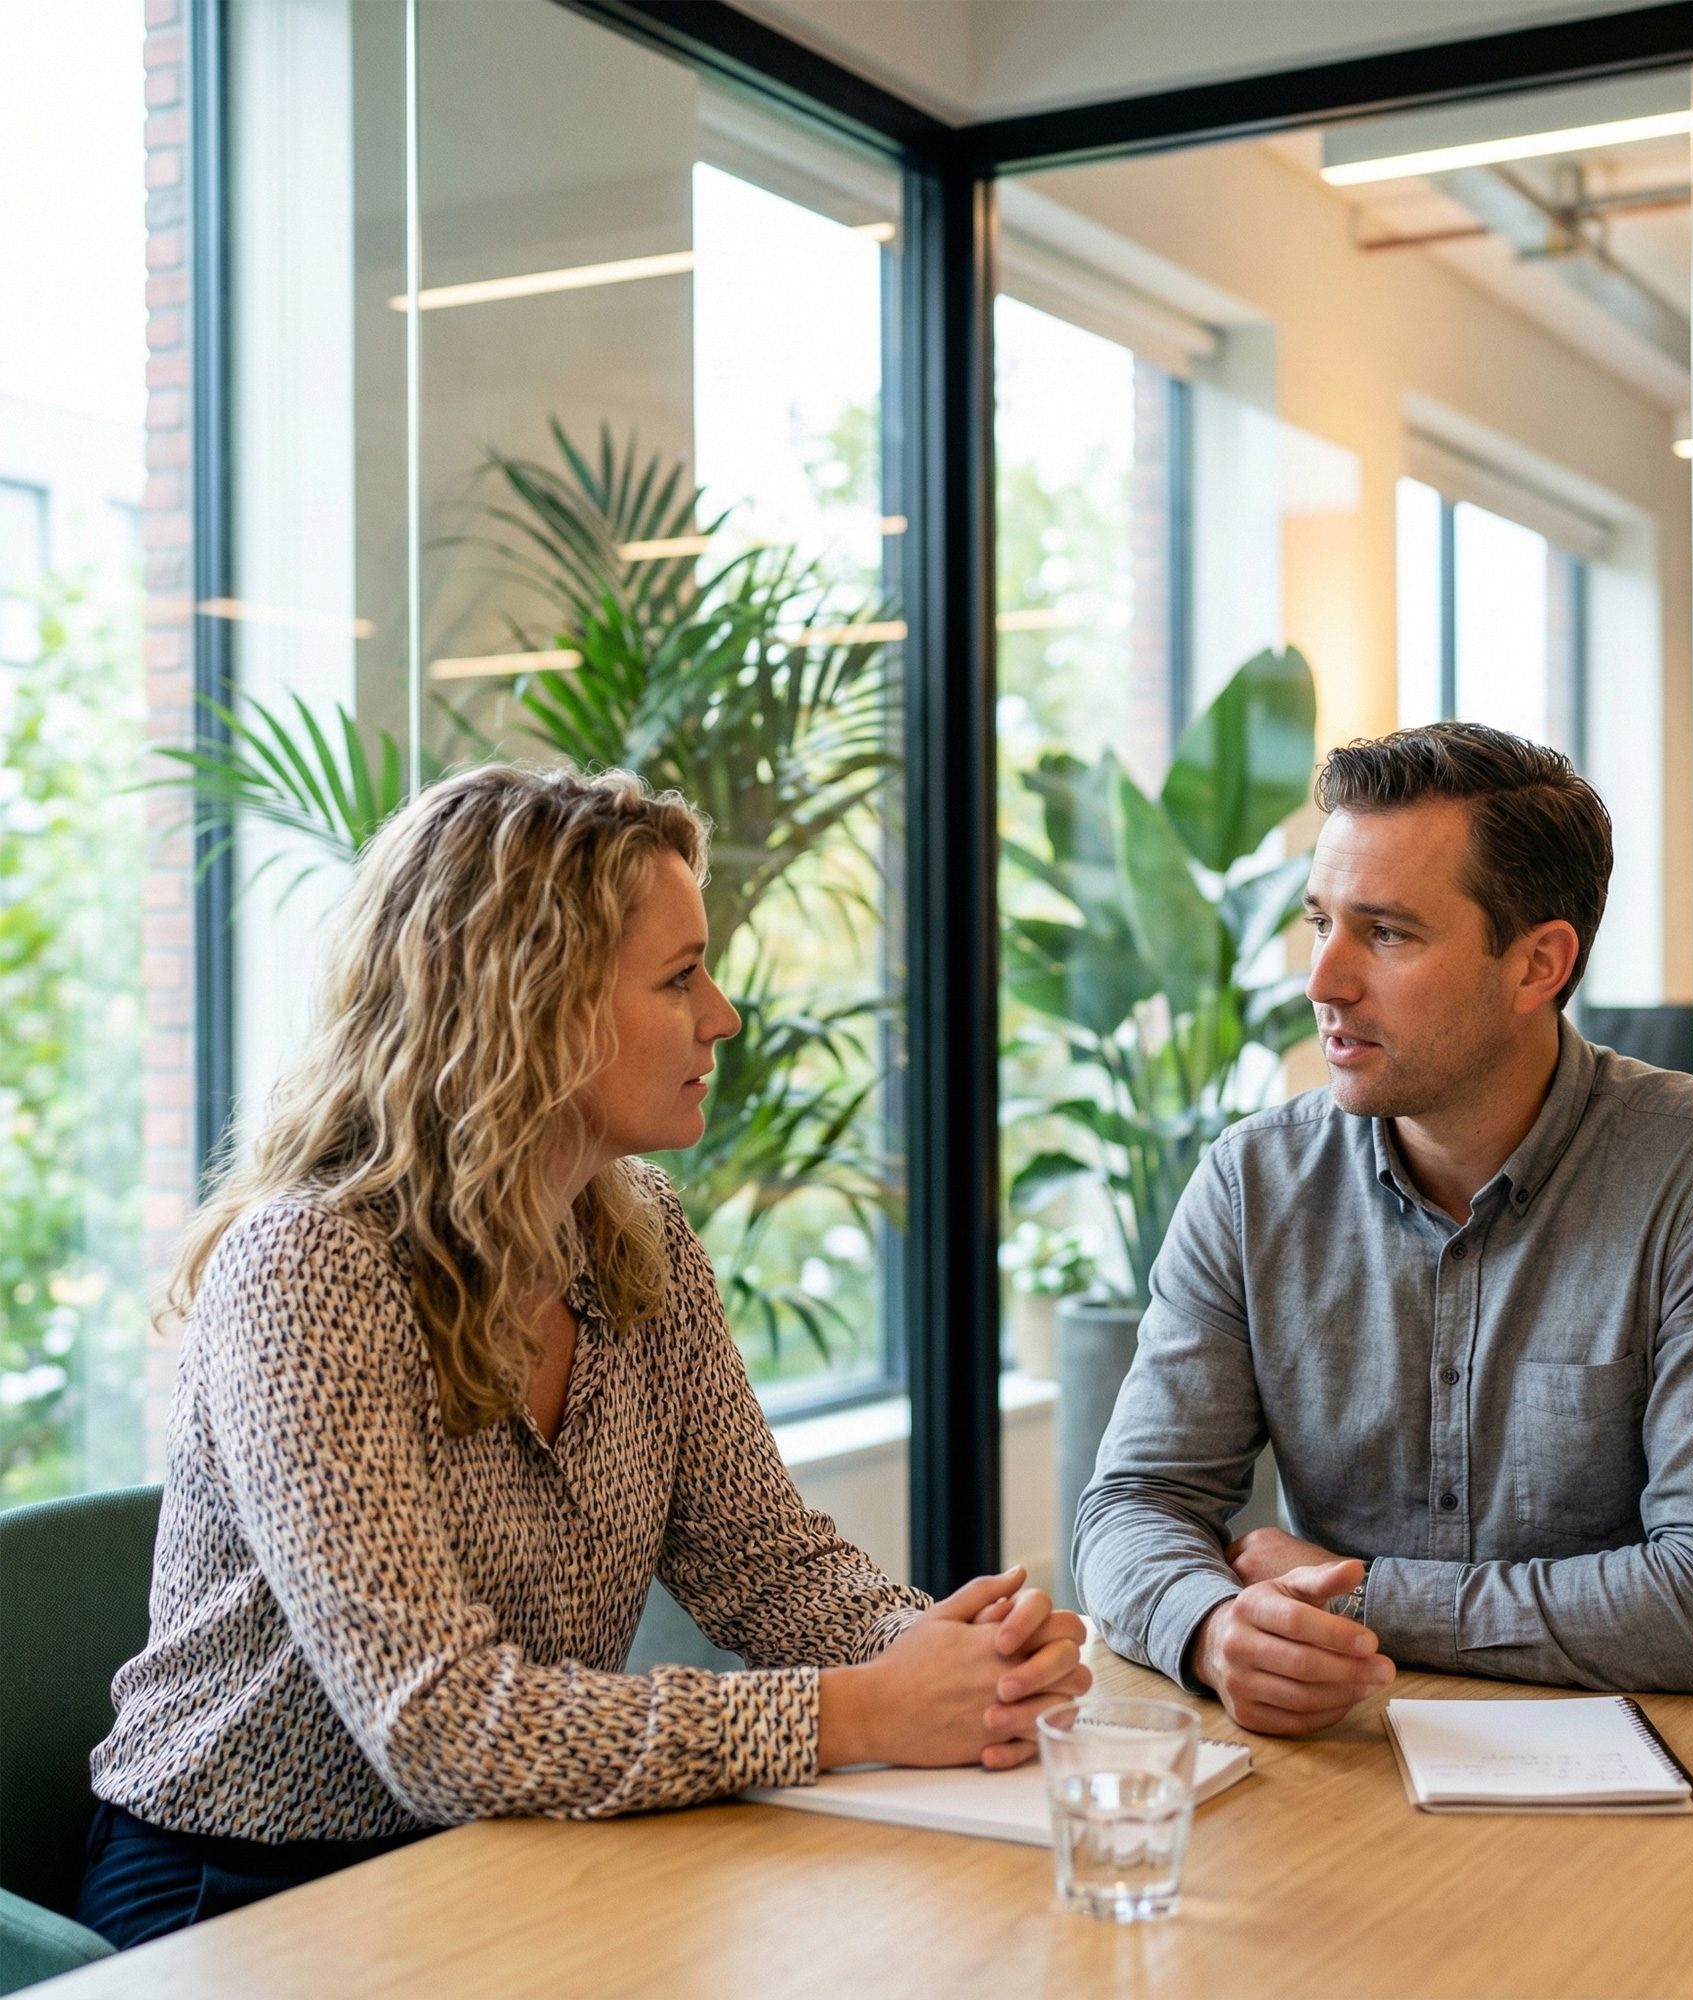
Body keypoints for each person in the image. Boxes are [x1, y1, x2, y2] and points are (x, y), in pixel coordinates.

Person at [81, 765, 1087, 1948]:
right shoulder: (308, 1268)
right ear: (529, 1009)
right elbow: (441, 1727)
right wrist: (853, 1709)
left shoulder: (637, 1228)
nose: (723, 1014)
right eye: (678, 977)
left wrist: (947, 1656)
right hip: (239, 1895)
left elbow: (762, 1561)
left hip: (514, 1848)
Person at [1072, 722, 1693, 1735]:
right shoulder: (1252, 1181)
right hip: (1347, 1760)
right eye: (1320, 923)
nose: (1323, 982)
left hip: (1652, 1782)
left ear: (1536, 965)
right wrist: (1214, 1624)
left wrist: (1357, 1598)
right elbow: (1132, 1503)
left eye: (1384, 932)